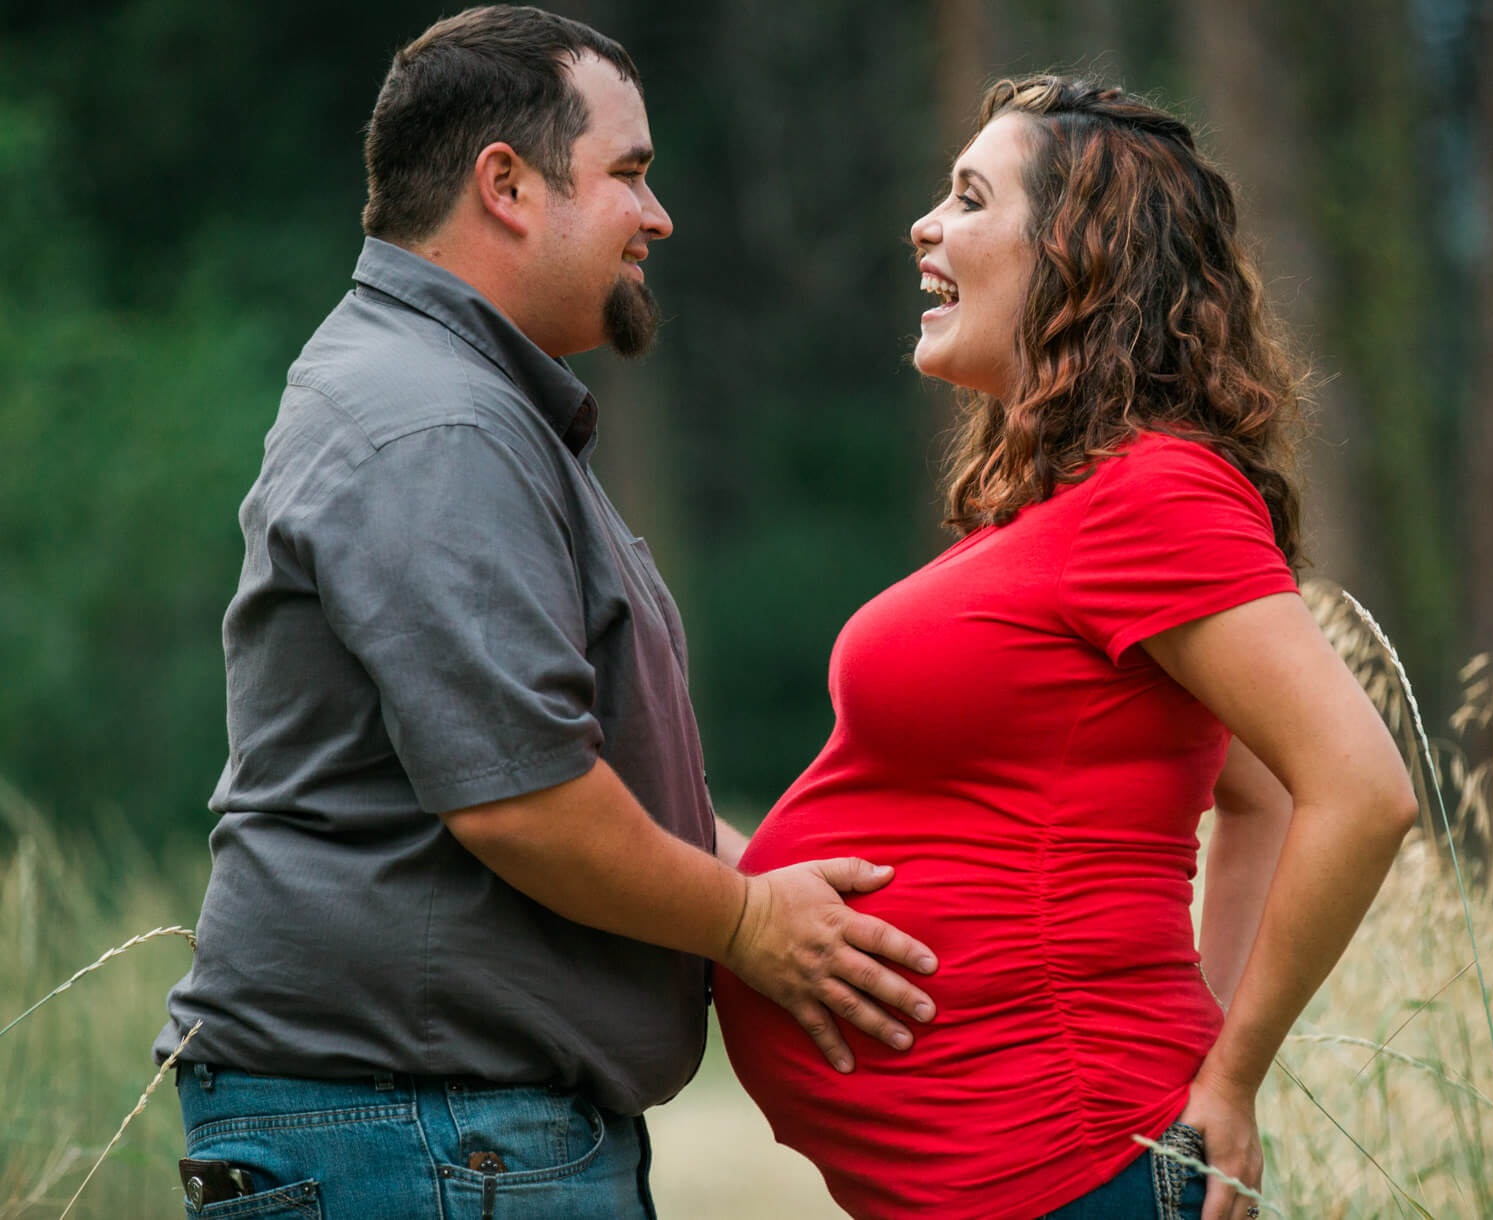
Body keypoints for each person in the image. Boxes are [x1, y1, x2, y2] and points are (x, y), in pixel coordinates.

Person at [153, 8, 937, 1217]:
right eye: (629, 172)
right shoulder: (438, 421)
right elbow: (520, 800)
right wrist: (745, 919)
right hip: (420, 1137)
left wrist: (774, 878)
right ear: (507, 185)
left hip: (426, 1132)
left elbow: (544, 762)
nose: (658, 215)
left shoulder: (449, 397)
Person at [712, 75, 1420, 1220]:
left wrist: (1228, 1079)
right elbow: (1254, 792)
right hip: (1023, 1172)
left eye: (969, 197)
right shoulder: (1067, 509)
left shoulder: (1158, 490)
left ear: (1077, 254)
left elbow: (1357, 788)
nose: (924, 225)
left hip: (1073, 1156)